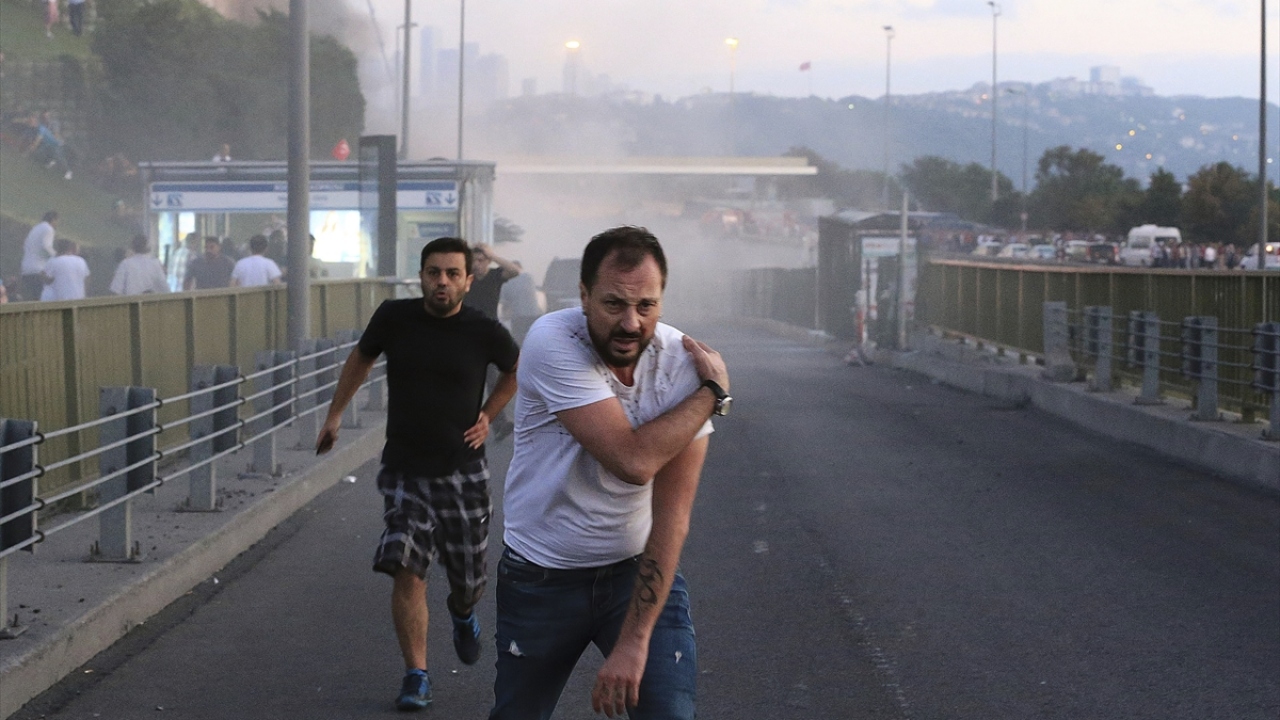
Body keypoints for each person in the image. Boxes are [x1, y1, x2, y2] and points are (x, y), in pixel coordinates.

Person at [490, 226, 731, 720]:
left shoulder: (683, 364)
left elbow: (673, 516)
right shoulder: (553, 340)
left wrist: (635, 641)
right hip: (542, 575)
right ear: (583, 296)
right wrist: (713, 395)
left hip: (634, 572)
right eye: (614, 304)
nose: (630, 323)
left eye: (646, 305)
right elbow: (633, 463)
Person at [315, 237, 519, 712]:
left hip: (463, 471)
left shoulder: (483, 329)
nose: (441, 282)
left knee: (468, 581)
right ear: (421, 277)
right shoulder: (394, 317)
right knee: (405, 566)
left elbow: (515, 369)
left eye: (452, 274)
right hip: (405, 470)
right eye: (433, 273)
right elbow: (361, 358)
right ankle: (417, 674)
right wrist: (335, 415)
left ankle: (463, 612)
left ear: (468, 281)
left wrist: (488, 415)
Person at [463, 243, 520, 319]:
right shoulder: (466, 277)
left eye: (480, 260)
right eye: (473, 260)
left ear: (488, 261)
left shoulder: (495, 275)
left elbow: (515, 271)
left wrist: (492, 256)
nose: (476, 264)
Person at [498, 260, 542, 344]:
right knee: (535, 340)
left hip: (519, 318)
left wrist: (503, 317)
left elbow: (505, 305)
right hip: (535, 315)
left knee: (519, 342)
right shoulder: (529, 277)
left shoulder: (506, 283)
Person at [20, 211, 58, 302]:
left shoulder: (35, 228)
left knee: (32, 300)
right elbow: (46, 247)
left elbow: (26, 245)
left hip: (26, 270)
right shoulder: (48, 229)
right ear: (53, 219)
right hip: (38, 271)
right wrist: (57, 257)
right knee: (40, 300)